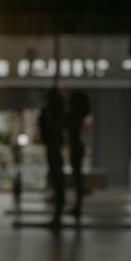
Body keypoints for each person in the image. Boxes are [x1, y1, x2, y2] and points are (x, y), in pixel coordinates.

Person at [38, 87, 66, 226]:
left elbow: (51, 131)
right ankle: (58, 212)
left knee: (57, 179)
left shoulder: (53, 114)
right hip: (54, 148)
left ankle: (58, 214)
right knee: (57, 179)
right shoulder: (57, 113)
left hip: (53, 148)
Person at [65, 90, 90, 217]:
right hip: (77, 147)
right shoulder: (78, 115)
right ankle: (77, 205)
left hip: (76, 148)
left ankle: (78, 206)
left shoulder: (74, 115)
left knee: (77, 178)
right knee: (77, 177)